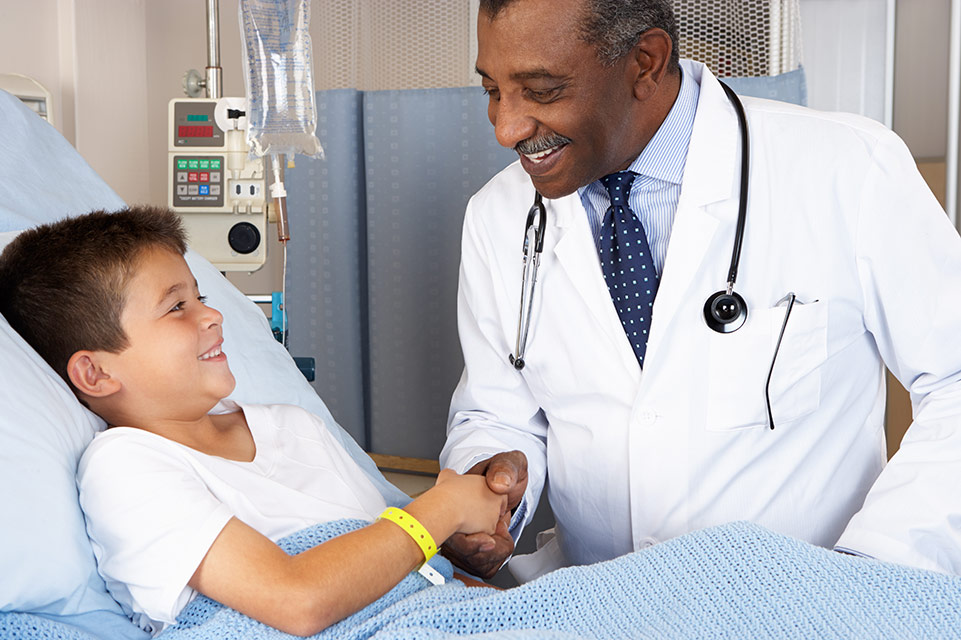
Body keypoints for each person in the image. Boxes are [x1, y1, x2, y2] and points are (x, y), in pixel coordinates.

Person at [439, 0, 961, 582]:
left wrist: (880, 566)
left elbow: (954, 379)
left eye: (541, 91)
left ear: (646, 62)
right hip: (596, 601)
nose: (507, 128)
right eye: (491, 91)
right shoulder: (497, 215)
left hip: (804, 602)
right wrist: (491, 476)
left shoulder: (848, 168)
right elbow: (498, 409)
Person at [0, 207, 507, 637]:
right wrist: (443, 508)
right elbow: (297, 601)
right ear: (95, 372)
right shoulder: (126, 465)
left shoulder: (294, 427)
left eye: (202, 297)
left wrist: (467, 555)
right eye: (176, 307)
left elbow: (396, 560)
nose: (212, 316)